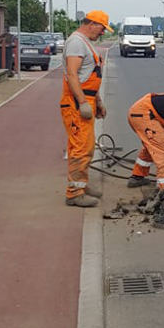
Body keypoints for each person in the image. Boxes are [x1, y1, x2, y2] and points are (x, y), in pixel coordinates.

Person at [60, 11, 112, 207]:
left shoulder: (85, 42)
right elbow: (72, 75)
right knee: (80, 146)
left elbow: (90, 75)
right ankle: (74, 193)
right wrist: (82, 102)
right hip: (75, 102)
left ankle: (82, 184)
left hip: (86, 99)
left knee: (87, 146)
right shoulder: (76, 42)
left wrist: (97, 102)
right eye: (101, 28)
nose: (102, 33)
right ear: (91, 24)